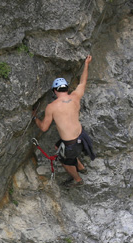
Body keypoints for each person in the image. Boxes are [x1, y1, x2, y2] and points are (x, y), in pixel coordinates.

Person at [34, 56, 96, 186]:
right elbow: (82, 82)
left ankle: (78, 180)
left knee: (64, 161)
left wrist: (35, 118)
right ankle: (80, 166)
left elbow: (44, 127)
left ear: (55, 91)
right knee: (58, 145)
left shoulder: (52, 107)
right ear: (66, 89)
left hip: (71, 144)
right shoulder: (75, 97)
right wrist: (86, 64)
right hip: (81, 136)